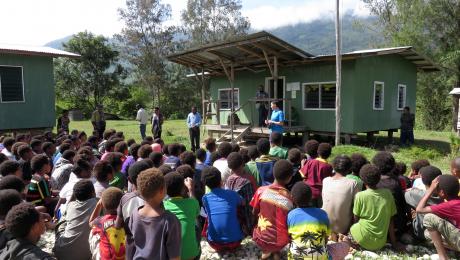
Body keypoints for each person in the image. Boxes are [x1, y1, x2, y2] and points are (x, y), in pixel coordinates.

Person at [125, 168, 181, 260]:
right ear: (162, 190)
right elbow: (175, 257)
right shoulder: (170, 220)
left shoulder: (134, 214)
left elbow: (130, 244)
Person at [288, 182, 350, 260]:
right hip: (321, 257)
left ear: (292, 198)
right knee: (345, 245)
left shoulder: (291, 215)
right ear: (311, 197)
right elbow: (325, 240)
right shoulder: (322, 214)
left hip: (295, 257)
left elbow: (290, 238)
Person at [350, 164, 403, 251]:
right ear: (379, 179)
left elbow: (355, 219)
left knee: (348, 235)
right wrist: (394, 243)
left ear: (362, 179)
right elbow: (391, 220)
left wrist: (353, 233)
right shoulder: (388, 193)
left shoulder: (360, 196)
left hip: (361, 239)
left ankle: (354, 244)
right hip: (380, 243)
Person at [251, 159, 294, 259]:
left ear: (273, 174)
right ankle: (275, 251)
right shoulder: (290, 198)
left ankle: (267, 250)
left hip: (261, 239)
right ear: (290, 178)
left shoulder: (261, 191)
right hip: (281, 242)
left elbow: (254, 212)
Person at [416, 175, 460, 260]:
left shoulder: (450, 205)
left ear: (442, 192)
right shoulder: (456, 202)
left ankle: (442, 257)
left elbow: (419, 209)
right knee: (428, 234)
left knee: (429, 218)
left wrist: (430, 190)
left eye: (436, 190)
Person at [201, 167, 244, 253]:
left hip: (214, 243)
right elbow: (242, 203)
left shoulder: (205, 198)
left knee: (209, 216)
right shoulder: (232, 194)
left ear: (206, 185)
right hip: (235, 242)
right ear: (221, 180)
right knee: (237, 209)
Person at [53, 180, 98, 260]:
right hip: (84, 255)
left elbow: (60, 225)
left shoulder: (70, 205)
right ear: (93, 192)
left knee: (62, 223)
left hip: (61, 252)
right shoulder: (97, 203)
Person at [163, 172, 200, 260]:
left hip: (170, 256)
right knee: (196, 224)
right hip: (191, 255)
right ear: (184, 189)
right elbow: (196, 212)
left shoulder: (162, 206)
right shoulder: (192, 203)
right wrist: (191, 189)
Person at [321, 155, 359, 238]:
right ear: (349, 169)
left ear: (333, 167)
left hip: (325, 226)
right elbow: (357, 208)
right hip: (343, 229)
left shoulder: (326, 180)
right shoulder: (353, 183)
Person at [405, 166, 442, 241]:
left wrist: (414, 189)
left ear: (422, 180)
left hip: (422, 233)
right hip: (441, 231)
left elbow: (404, 194)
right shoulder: (446, 193)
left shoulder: (416, 194)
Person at [89, 187, 126, 260]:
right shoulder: (128, 219)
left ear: (103, 205)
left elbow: (90, 222)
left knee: (93, 231)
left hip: (105, 258)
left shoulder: (100, 221)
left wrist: (98, 205)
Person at [225, 152, 256, 234]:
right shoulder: (248, 180)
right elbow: (251, 204)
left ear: (229, 167)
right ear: (243, 163)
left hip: (234, 218)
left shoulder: (228, 180)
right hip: (246, 221)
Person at [299, 143, 333, 207]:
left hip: (309, 192)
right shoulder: (329, 167)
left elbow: (302, 175)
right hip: (322, 194)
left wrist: (302, 165)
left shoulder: (310, 162)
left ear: (318, 152)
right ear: (329, 155)